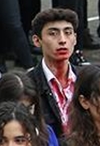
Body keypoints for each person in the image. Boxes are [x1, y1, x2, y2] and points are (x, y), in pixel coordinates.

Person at [27, 8, 86, 136]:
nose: (62, 40)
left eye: (68, 33)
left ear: (75, 39)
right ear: (37, 41)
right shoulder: (27, 85)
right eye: (53, 34)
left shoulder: (88, 78)